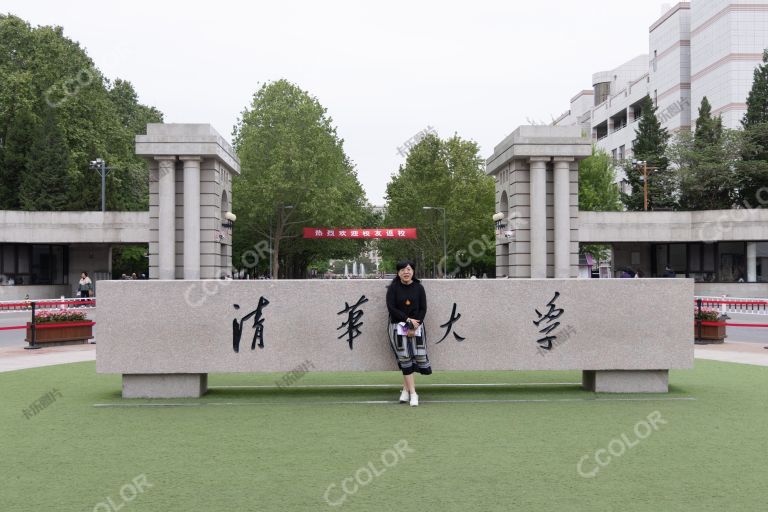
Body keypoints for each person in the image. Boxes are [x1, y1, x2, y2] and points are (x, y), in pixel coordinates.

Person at [386, 260, 430, 407]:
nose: (406, 272)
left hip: (416, 327)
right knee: (405, 358)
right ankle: (413, 393)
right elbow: (391, 308)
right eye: (403, 270)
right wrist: (407, 321)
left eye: (409, 269)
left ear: (413, 272)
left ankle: (405, 390)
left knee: (415, 357)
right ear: (398, 273)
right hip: (398, 326)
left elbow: (423, 308)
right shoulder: (393, 288)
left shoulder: (419, 288)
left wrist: (414, 325)